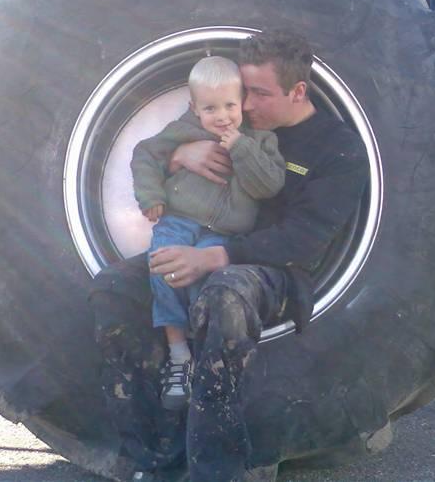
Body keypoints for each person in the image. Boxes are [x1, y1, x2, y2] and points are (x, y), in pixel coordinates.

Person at [89, 29, 369, 482]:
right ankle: (148, 461)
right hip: (198, 238)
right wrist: (180, 155)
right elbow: (157, 149)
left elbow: (305, 239)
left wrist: (219, 256)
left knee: (224, 294)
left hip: (274, 271)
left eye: (258, 94)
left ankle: (215, 471)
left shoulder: (338, 149)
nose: (246, 105)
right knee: (114, 287)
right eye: (244, 91)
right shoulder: (229, 118)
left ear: (298, 91)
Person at [130, 56, 285, 410]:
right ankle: (178, 354)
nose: (222, 116)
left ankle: (204, 356)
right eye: (210, 108)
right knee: (165, 267)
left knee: (209, 284)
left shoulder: (260, 141)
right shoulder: (182, 131)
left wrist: (241, 148)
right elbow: (145, 155)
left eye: (230, 105)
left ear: (243, 102)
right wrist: (151, 195)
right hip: (180, 220)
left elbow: (269, 187)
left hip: (226, 233)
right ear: (194, 108)